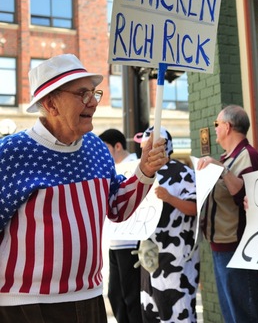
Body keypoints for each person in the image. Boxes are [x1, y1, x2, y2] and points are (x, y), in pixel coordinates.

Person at [0, 54, 168, 323]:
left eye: (93, 92)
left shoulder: (96, 148)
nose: (92, 101)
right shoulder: (13, 153)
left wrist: (145, 171)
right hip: (24, 305)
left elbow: (116, 208)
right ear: (50, 103)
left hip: (88, 297)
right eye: (82, 93)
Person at [196, 104, 258, 323]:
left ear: (227, 126)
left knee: (244, 314)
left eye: (217, 124)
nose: (214, 129)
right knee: (232, 314)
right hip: (222, 245)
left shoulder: (248, 156)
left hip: (237, 247)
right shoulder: (228, 157)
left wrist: (221, 170)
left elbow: (248, 198)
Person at [136, 126, 200, 323]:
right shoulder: (143, 174)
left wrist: (169, 198)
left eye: (148, 146)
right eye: (143, 147)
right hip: (150, 255)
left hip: (177, 256)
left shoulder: (183, 173)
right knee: (151, 309)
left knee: (178, 312)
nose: (144, 151)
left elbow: (194, 207)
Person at [98, 128, 142, 323]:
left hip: (132, 241)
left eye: (105, 148)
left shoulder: (137, 166)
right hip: (114, 240)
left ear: (118, 146)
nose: (102, 153)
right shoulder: (107, 170)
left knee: (132, 296)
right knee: (114, 294)